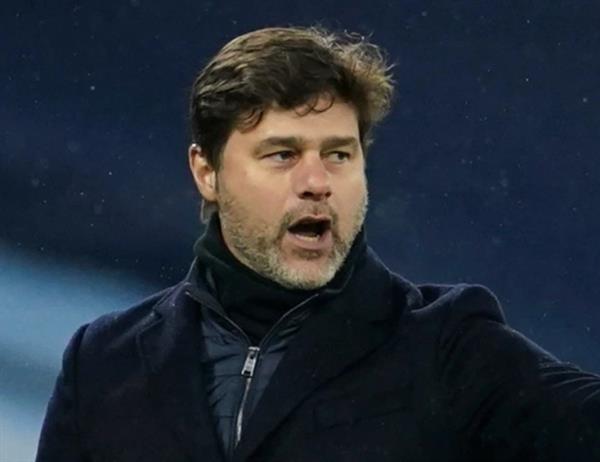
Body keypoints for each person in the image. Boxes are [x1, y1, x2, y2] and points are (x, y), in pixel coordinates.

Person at [36, 26, 600, 462]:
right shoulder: (104, 362)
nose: (316, 181)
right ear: (207, 173)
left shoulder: (448, 351)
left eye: (338, 154)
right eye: (282, 154)